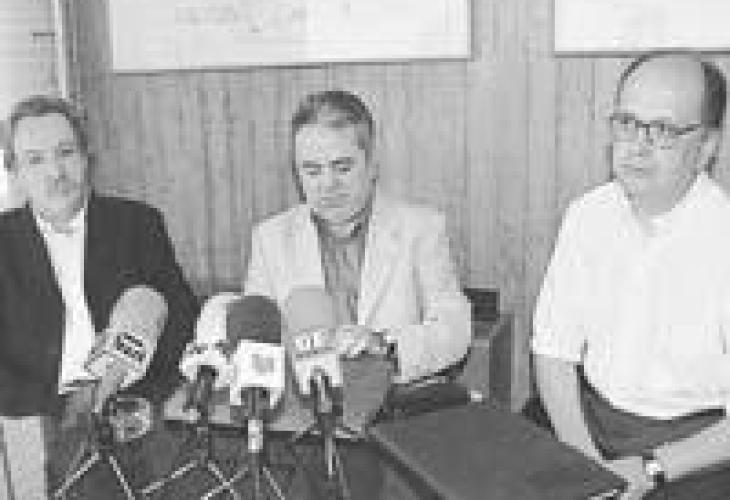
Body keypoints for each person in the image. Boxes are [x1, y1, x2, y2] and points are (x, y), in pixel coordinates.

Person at [244, 89, 472, 499]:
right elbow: (255, 338)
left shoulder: (421, 228)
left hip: (397, 425)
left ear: (372, 165)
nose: (327, 184)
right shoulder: (271, 238)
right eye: (312, 170)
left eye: (342, 167)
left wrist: (384, 344)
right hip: (305, 428)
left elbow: (455, 329)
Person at [530, 52, 730, 499]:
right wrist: (583, 459)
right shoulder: (587, 215)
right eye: (627, 123)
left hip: (695, 451)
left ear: (706, 147)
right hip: (587, 422)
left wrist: (651, 468)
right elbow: (553, 350)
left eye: (662, 130)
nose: (638, 146)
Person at [0, 94, 198, 496]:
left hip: (136, 402)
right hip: (41, 414)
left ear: (87, 157)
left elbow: (182, 318)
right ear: (14, 171)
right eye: (35, 160)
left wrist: (135, 392)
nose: (56, 172)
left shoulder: (136, 223)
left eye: (66, 152)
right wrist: (62, 402)